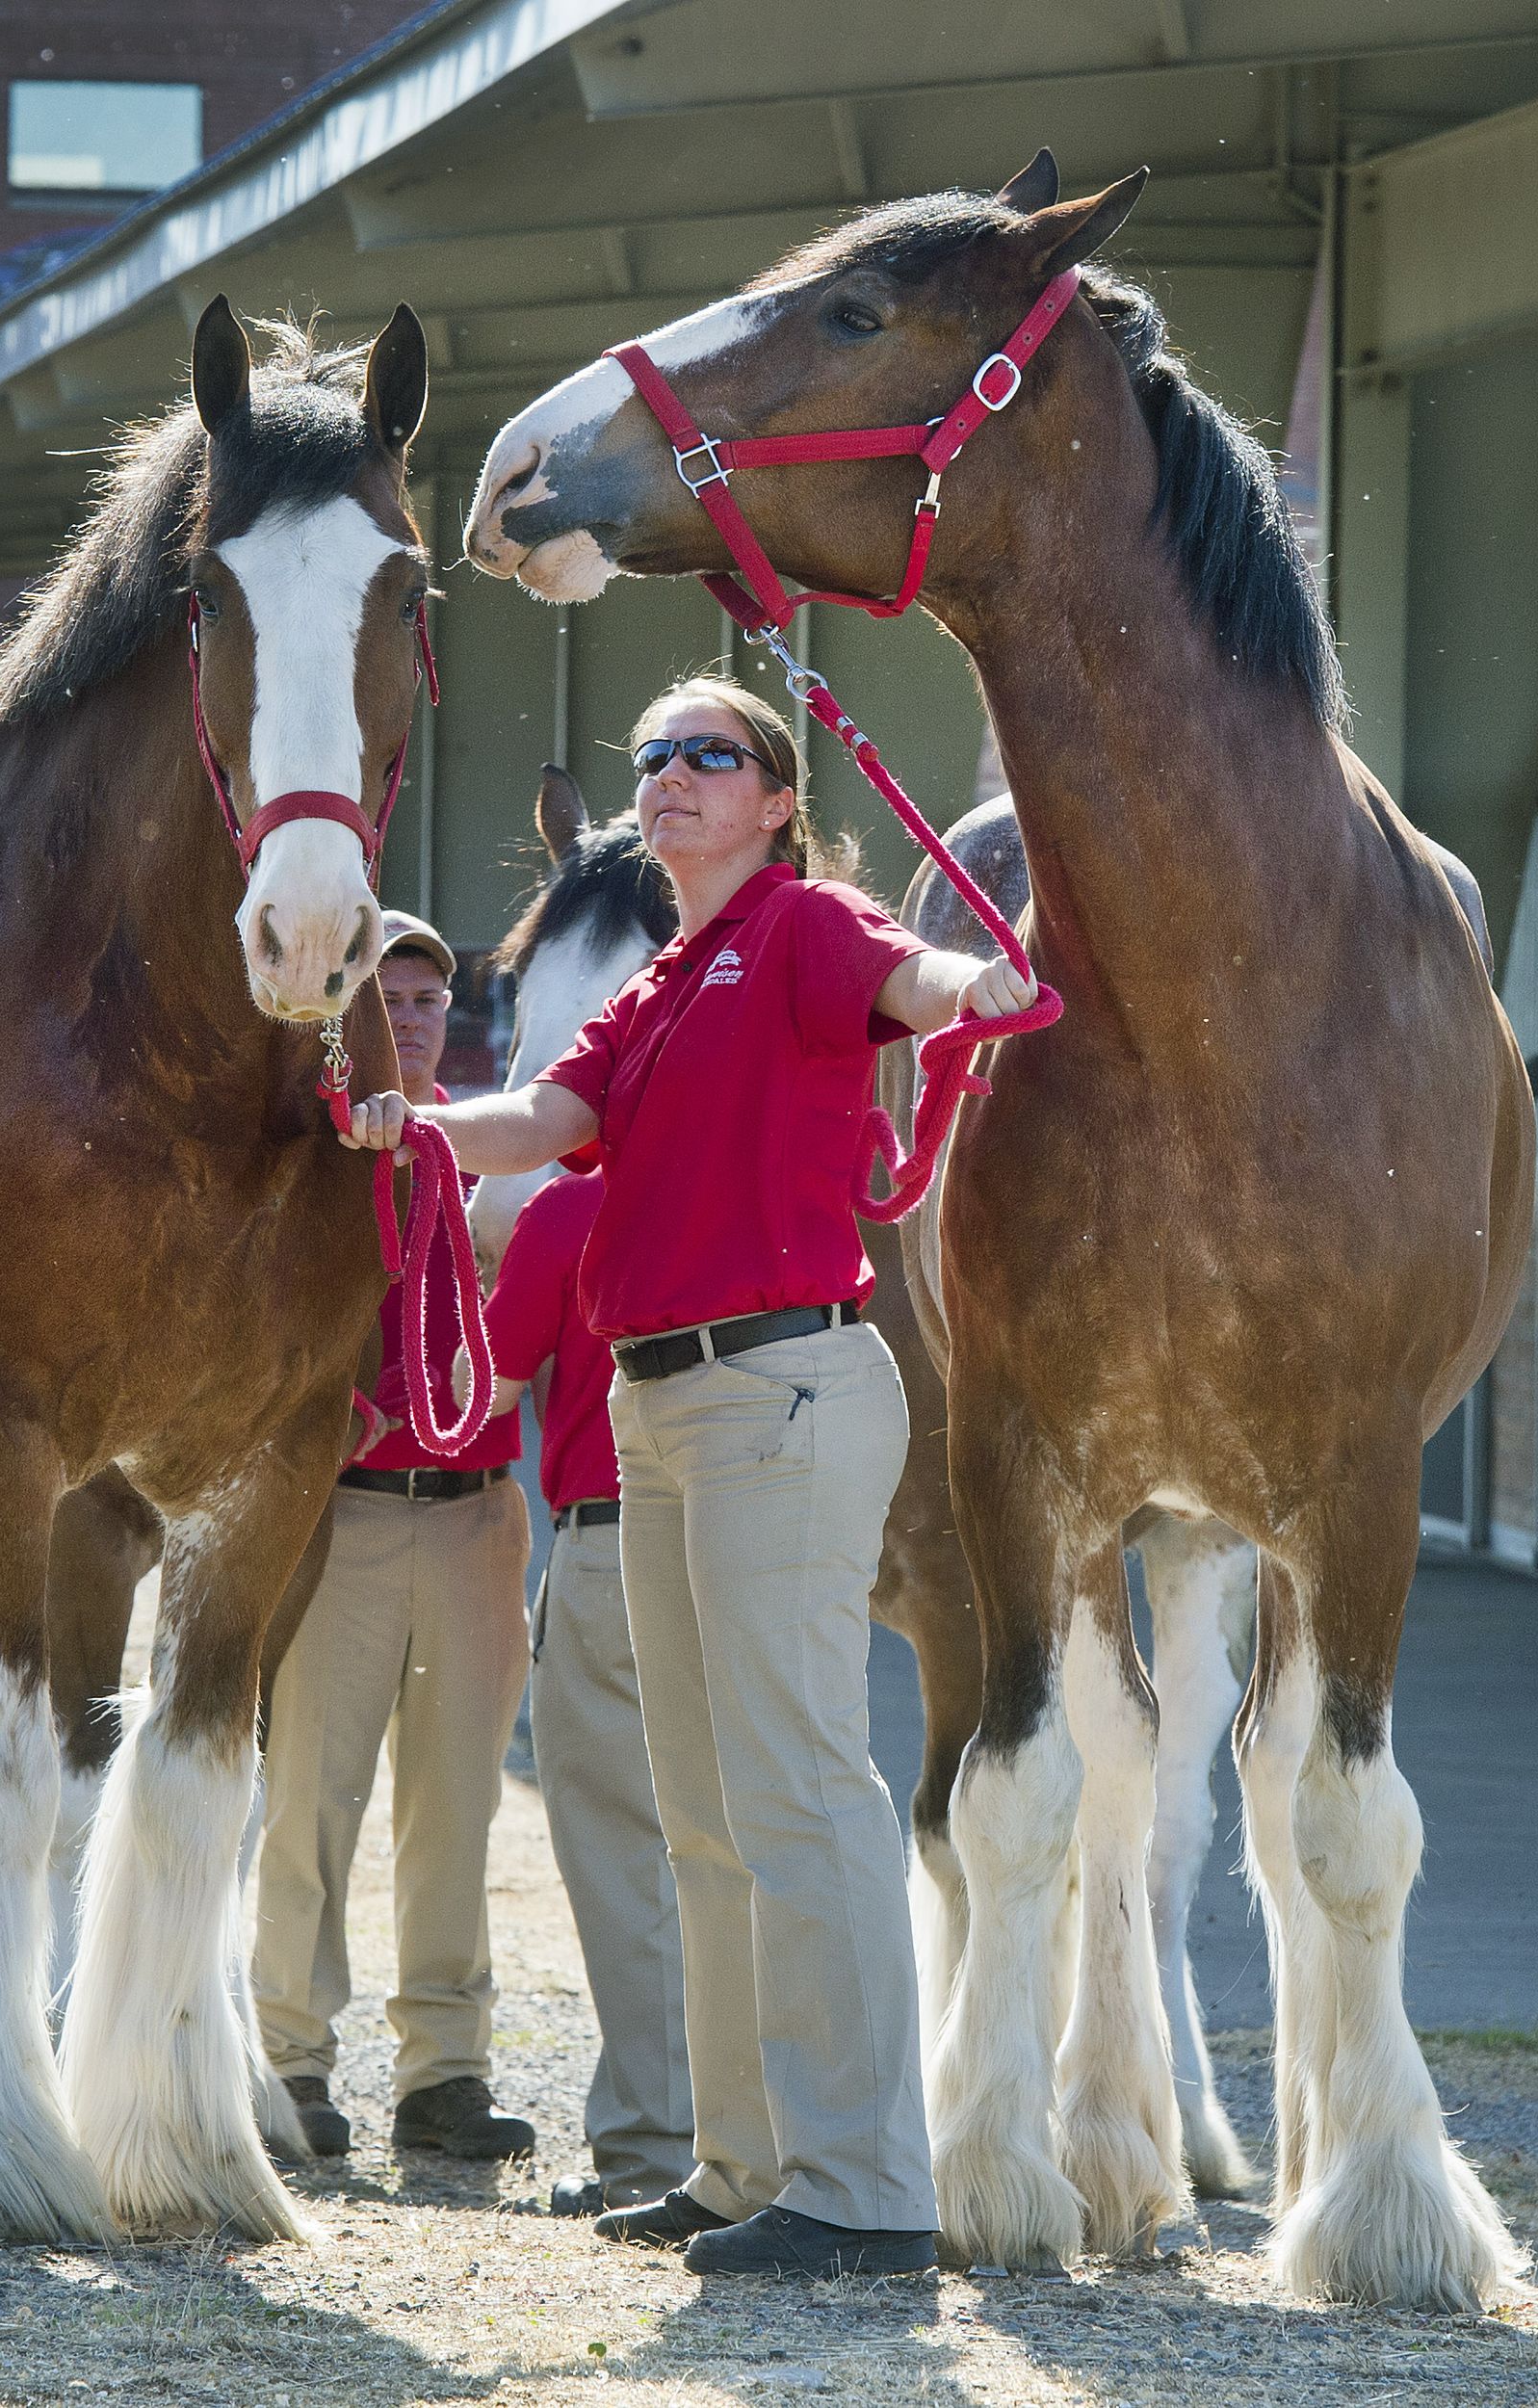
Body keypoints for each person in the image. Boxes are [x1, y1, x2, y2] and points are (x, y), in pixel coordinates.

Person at [338, 678, 1033, 2279]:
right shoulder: (658, 985)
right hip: (663, 1412)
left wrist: (971, 985)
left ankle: (862, 2188)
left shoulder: (805, 926)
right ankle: (744, 2165)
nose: (668, 779)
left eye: (707, 756)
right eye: (652, 758)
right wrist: (415, 1128)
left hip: (777, 1386)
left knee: (796, 1788)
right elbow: (541, 1118)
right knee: (710, 1809)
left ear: (778, 798)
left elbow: (911, 981)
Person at [253, 910, 537, 2164]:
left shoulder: (491, 1156)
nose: (411, 1020)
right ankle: (290, 2062)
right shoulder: (315, 1167)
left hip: (477, 1515)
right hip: (349, 1517)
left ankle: (444, 2075)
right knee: (310, 1797)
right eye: (389, 999)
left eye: (429, 1000)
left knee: (458, 1806)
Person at [482, 1166, 692, 2221]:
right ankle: (773, 2143)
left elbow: (487, 1386)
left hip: (612, 1541)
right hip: (749, 1534)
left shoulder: (567, 1211)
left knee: (622, 1856)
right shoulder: (735, 1181)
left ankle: (657, 2152)